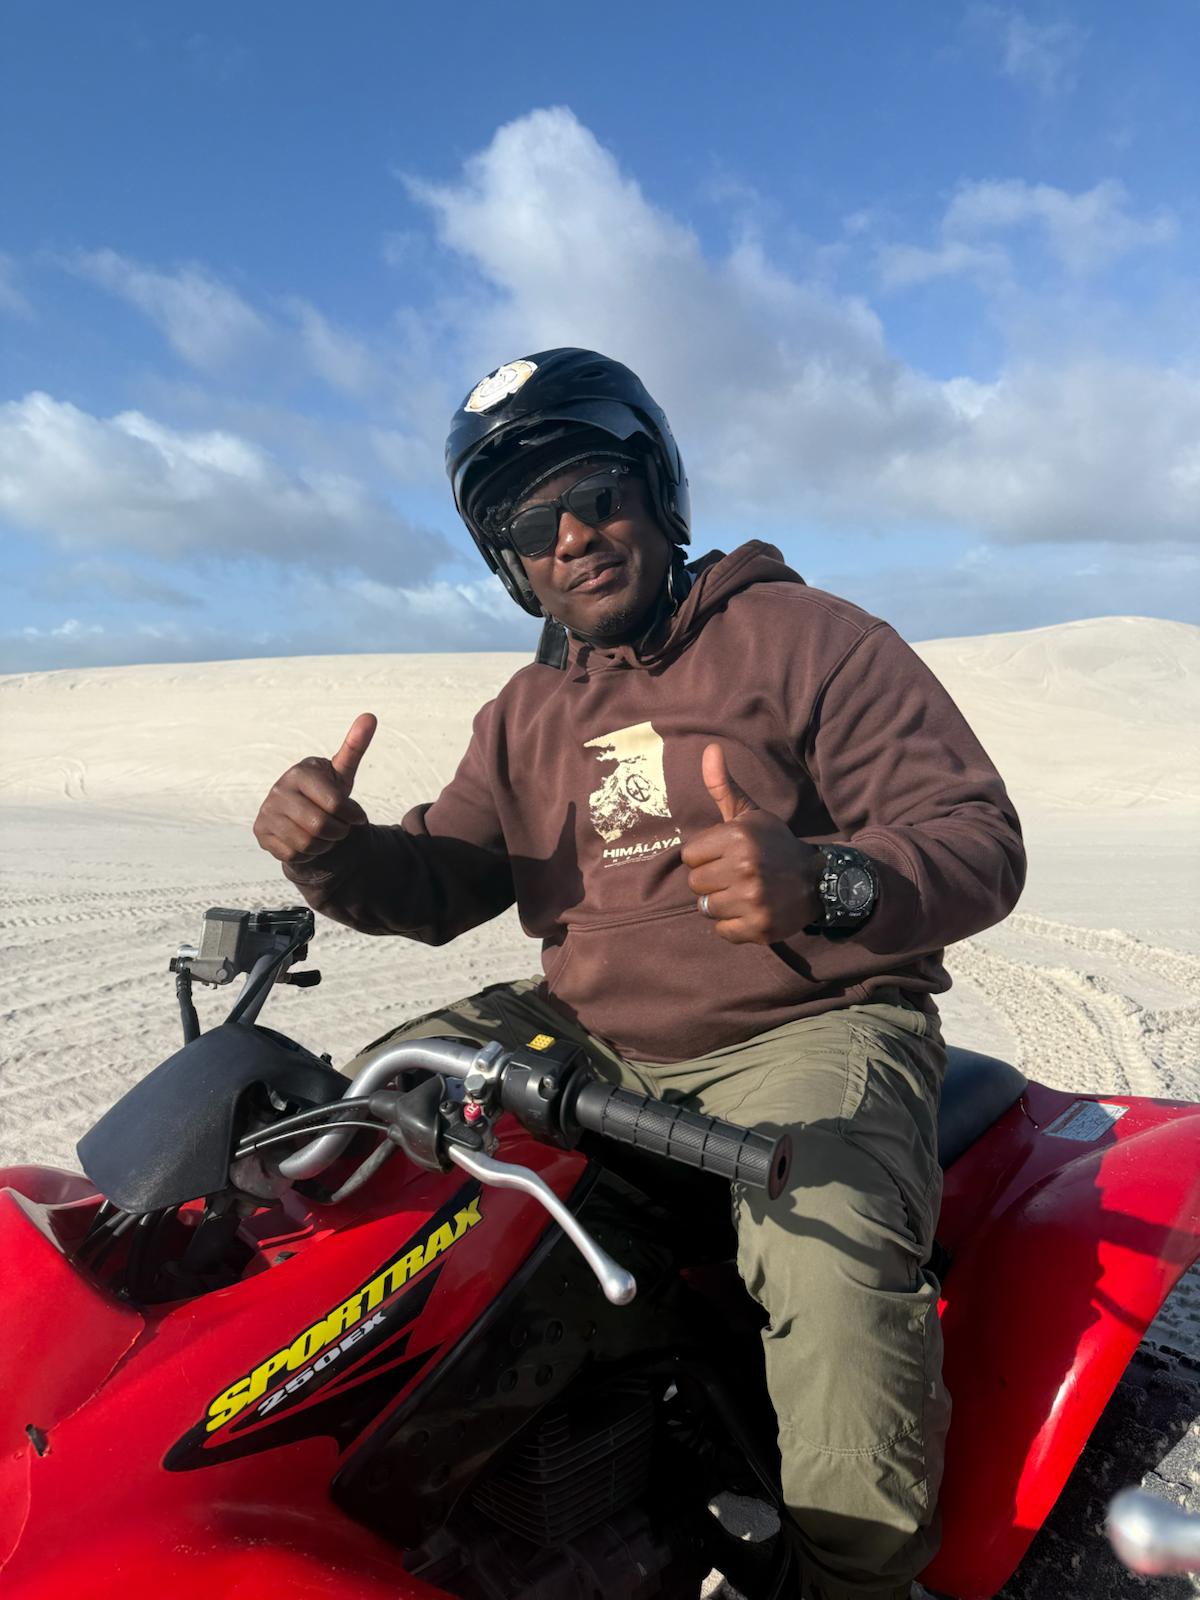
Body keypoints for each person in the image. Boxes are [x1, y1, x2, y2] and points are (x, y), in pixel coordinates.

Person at [254, 348, 1026, 1600]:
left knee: (830, 1255)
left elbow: (979, 839)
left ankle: (852, 1578)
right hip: (589, 1033)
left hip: (805, 1022)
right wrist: (337, 854)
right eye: (532, 526)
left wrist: (823, 881)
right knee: (361, 1120)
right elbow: (446, 880)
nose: (572, 535)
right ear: (511, 564)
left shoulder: (808, 639)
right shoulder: (526, 711)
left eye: (595, 494)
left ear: (656, 495)